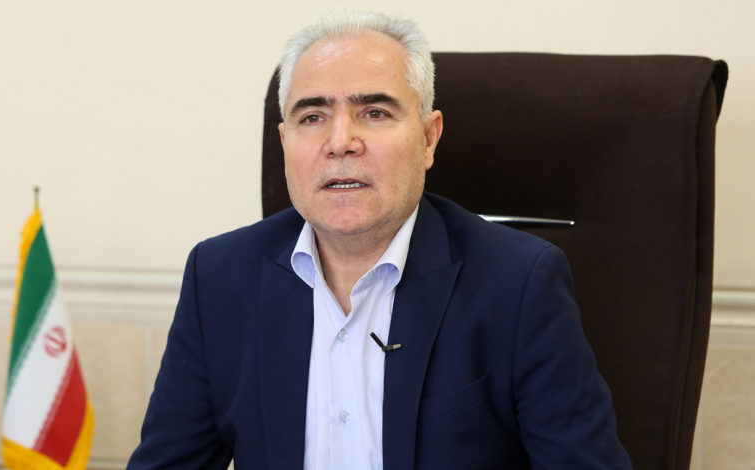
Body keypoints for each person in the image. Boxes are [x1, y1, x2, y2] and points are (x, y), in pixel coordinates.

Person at [128, 10, 632, 470]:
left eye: (374, 112)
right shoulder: (220, 277)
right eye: (312, 117)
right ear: (285, 143)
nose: (340, 142)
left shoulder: (518, 284)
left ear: (429, 138)